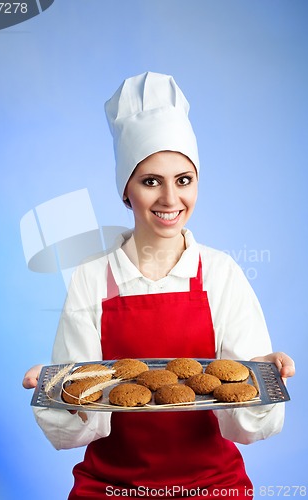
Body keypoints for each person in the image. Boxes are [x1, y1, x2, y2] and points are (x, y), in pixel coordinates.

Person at [23, 72, 295, 499]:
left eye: (184, 180)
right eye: (151, 181)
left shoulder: (222, 273)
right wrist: (60, 392)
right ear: (126, 191)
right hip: (111, 487)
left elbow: (246, 429)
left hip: (213, 488)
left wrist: (260, 379)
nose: (171, 199)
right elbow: (74, 433)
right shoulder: (92, 278)